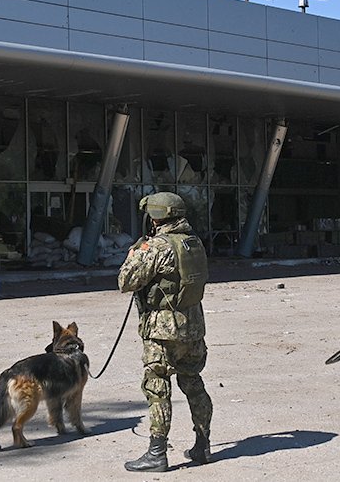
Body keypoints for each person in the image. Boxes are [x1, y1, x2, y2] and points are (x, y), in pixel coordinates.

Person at [118, 192, 213, 472]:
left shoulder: (157, 246)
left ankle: (157, 454)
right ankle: (203, 445)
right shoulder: (193, 242)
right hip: (193, 326)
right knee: (193, 382)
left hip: (163, 330)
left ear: (156, 216)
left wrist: (135, 253)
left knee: (157, 387)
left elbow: (125, 280)